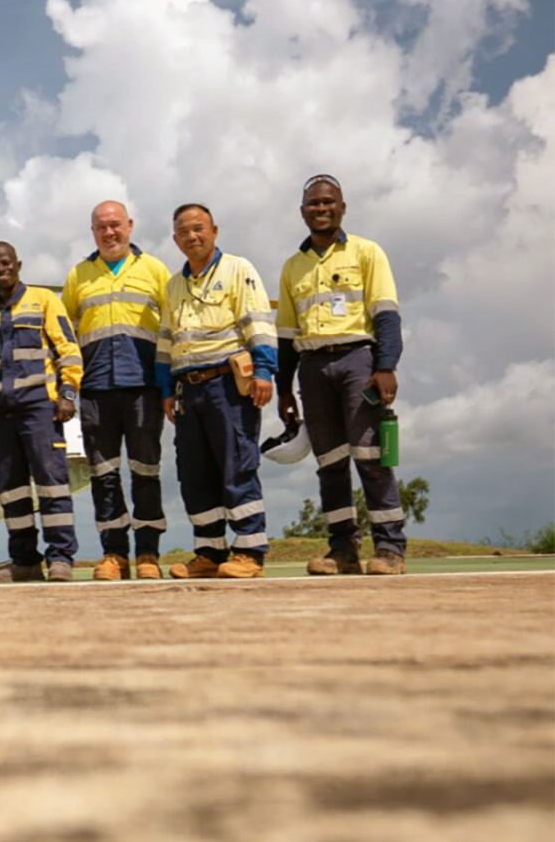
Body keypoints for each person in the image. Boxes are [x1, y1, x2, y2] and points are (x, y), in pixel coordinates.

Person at [276, 174, 407, 576]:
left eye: (328, 202)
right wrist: (285, 390)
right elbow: (286, 337)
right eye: (313, 204)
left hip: (358, 362)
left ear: (342, 208)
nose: (321, 209)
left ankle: (390, 548)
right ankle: (343, 549)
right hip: (313, 368)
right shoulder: (292, 267)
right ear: (302, 212)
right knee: (329, 461)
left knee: (371, 455)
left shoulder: (367, 252)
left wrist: (386, 367)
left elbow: (386, 315)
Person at [156, 204, 276, 580]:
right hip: (187, 390)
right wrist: (166, 389)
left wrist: (264, 371)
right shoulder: (173, 286)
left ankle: (250, 551)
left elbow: (258, 322)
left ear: (214, 231)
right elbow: (166, 341)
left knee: (237, 465)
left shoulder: (238, 270)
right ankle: (209, 552)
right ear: (175, 239)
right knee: (195, 474)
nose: (192, 236)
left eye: (198, 228)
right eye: (183, 232)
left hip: (227, 386)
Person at [63, 201, 172, 581]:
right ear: (93, 232)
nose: (109, 233)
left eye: (115, 225)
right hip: (96, 391)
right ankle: (114, 554)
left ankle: (148, 553)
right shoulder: (78, 275)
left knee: (146, 472)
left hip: (143, 388)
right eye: (101, 227)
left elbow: (173, 328)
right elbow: (66, 336)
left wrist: (169, 385)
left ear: (130, 225)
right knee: (103, 475)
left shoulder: (155, 270)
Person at [0, 242, 84, 583]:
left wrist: (67, 393)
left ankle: (60, 557)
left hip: (40, 409)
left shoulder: (45, 300)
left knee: (52, 485)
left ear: (18, 264)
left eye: (6, 263)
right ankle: (24, 561)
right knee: (12, 491)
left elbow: (68, 350)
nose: (1, 269)